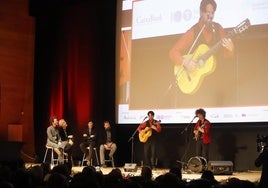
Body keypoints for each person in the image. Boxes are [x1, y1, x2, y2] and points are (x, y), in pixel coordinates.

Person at [169, 0, 234, 95]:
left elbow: (226, 56)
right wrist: (186, 62)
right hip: (198, 90)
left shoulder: (218, 29)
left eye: (212, 13)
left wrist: (231, 49)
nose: (210, 16)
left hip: (217, 85)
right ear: (201, 12)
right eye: (208, 12)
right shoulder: (193, 32)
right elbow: (173, 52)